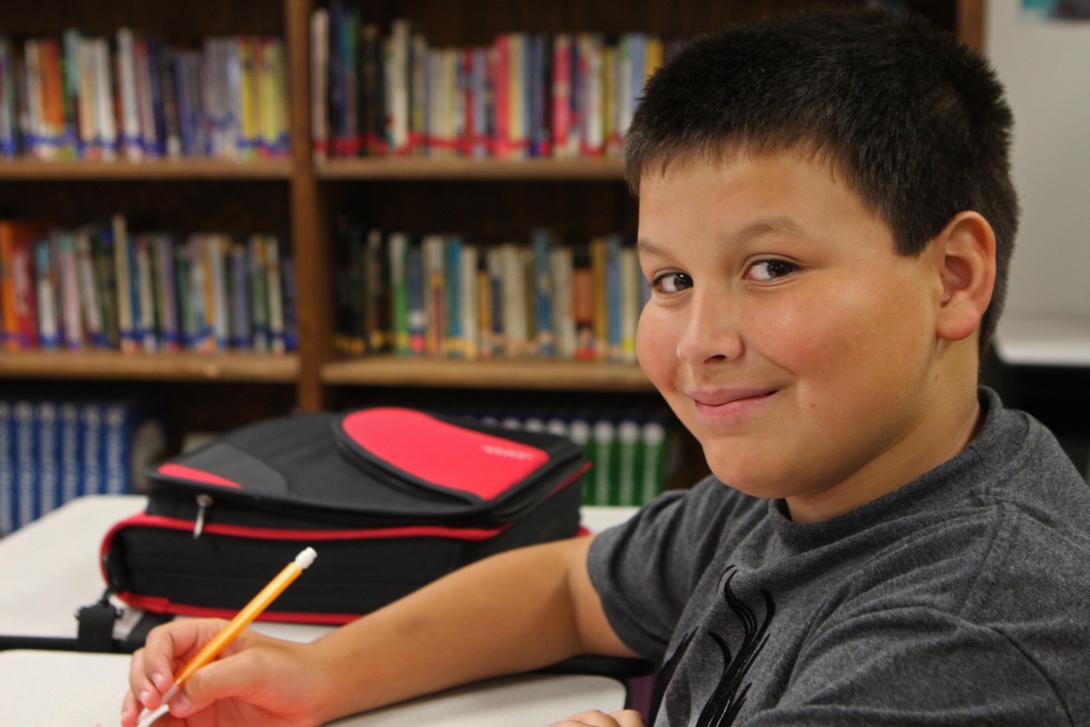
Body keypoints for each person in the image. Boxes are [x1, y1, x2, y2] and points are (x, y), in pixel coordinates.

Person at [120, 8, 1090, 727]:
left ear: (952, 279)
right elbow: (567, 588)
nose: (699, 338)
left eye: (770, 267)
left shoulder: (970, 633)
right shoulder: (809, 476)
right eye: (667, 279)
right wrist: (316, 673)